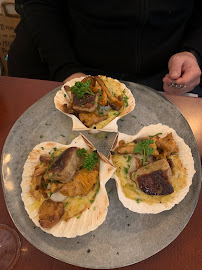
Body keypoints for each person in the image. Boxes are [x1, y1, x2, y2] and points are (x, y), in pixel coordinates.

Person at [8, 0, 202, 96]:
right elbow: (40, 5)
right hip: (76, 67)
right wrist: (66, 69)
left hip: (167, 74)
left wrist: (192, 51)